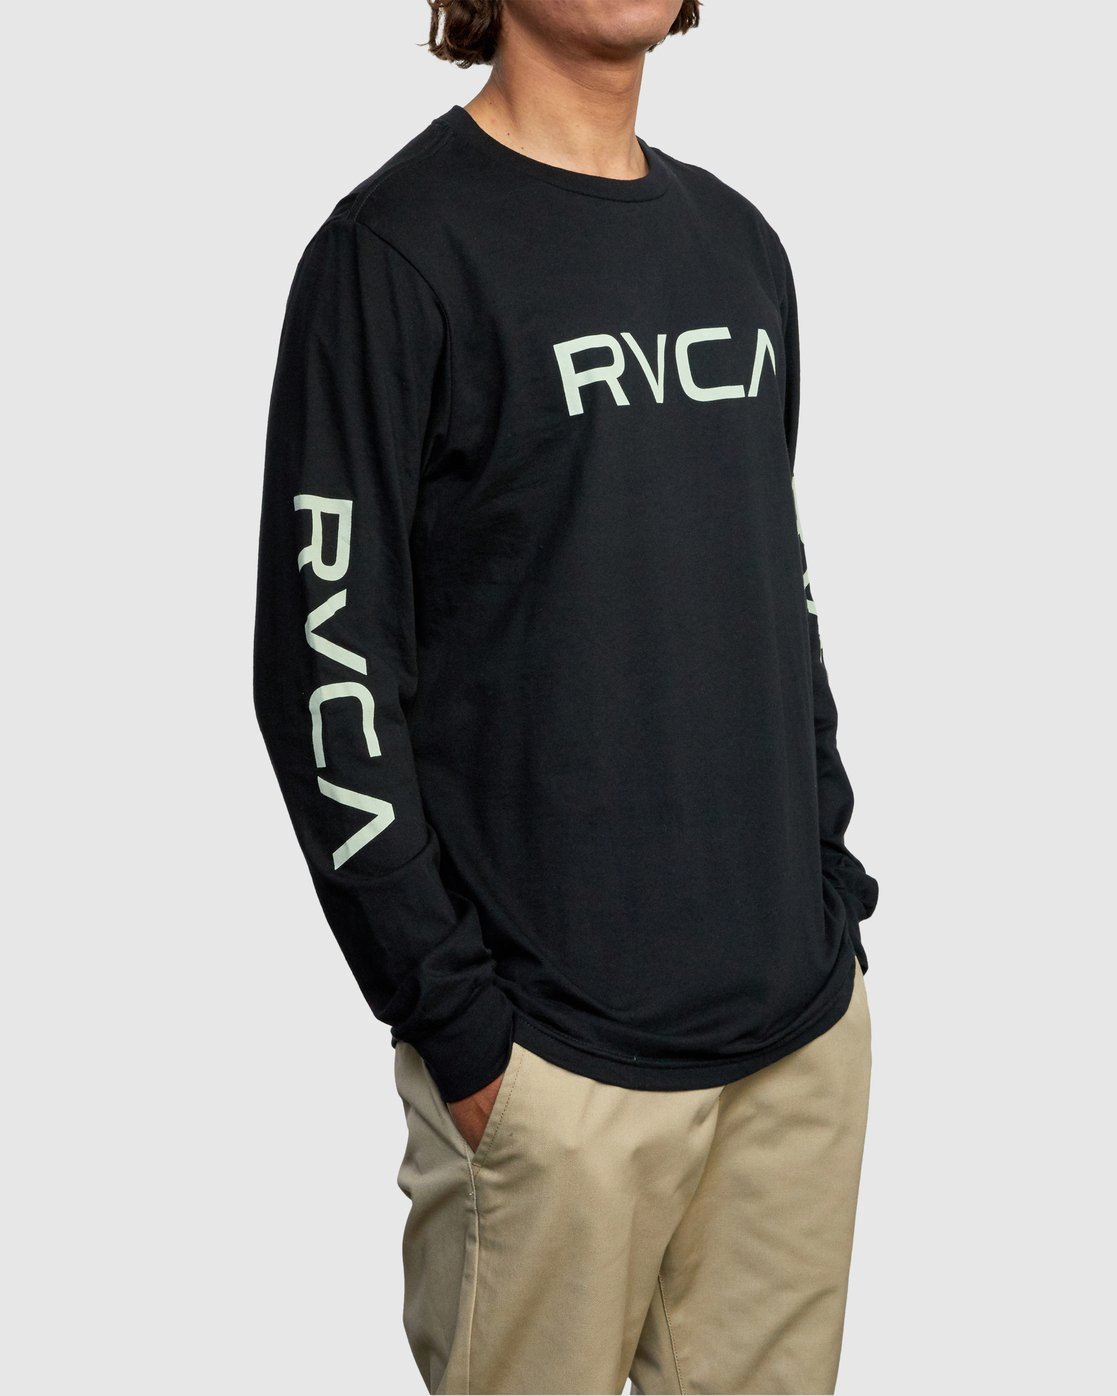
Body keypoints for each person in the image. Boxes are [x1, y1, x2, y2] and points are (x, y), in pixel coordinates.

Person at [252, 2, 879, 1391]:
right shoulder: (395, 251)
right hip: (554, 1064)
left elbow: (772, 583)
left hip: (794, 1041)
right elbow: (323, 665)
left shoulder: (736, 243)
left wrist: (828, 892)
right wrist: (457, 1022)